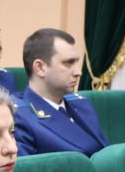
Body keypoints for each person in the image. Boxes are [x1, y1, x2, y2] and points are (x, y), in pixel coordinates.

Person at [13, 28, 109, 157]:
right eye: (68, 63)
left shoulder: (82, 104)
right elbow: (30, 169)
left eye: (76, 62)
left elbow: (104, 153)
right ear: (40, 68)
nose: (78, 72)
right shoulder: (18, 116)